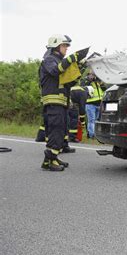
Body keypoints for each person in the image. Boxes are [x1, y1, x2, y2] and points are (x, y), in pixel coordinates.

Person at [39, 34, 79, 171]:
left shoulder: (58, 60)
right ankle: (50, 160)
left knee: (60, 130)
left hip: (61, 102)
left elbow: (68, 82)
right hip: (53, 102)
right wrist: (70, 60)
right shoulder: (49, 60)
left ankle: (51, 158)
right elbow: (55, 71)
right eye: (64, 46)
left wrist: (79, 66)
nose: (66, 49)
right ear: (56, 46)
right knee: (56, 130)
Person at [85, 72, 105, 139]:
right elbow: (84, 87)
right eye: (91, 74)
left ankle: (93, 133)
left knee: (96, 120)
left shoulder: (97, 82)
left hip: (99, 104)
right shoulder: (86, 81)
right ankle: (92, 135)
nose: (93, 76)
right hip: (90, 104)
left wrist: (101, 82)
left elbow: (104, 89)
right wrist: (89, 79)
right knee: (91, 120)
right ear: (88, 75)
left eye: (94, 75)